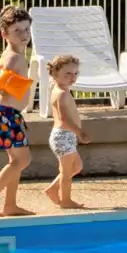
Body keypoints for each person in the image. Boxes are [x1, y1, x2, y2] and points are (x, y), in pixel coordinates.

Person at [0, 5, 35, 218]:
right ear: (5, 34)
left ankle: (10, 205)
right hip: (6, 115)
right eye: (17, 31)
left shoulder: (11, 55)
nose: (24, 35)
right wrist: (8, 84)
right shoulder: (13, 58)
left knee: (16, 161)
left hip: (6, 114)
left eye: (26, 29)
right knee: (22, 161)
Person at [43, 53, 90, 209]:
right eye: (67, 74)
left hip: (65, 136)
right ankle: (66, 200)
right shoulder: (62, 94)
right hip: (63, 136)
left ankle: (52, 190)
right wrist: (80, 132)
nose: (72, 77)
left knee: (76, 167)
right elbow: (64, 120)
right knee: (66, 171)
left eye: (75, 73)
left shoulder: (62, 90)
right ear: (54, 74)